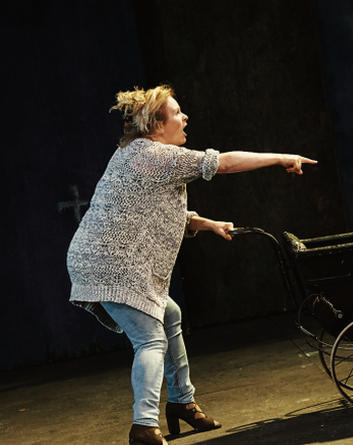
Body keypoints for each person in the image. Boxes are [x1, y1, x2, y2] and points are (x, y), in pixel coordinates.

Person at [66, 85, 317, 445]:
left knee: (169, 314)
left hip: (101, 260)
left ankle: (182, 401)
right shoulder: (153, 154)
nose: (185, 118)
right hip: (111, 265)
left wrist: (206, 223)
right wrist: (281, 157)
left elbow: (146, 212)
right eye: (177, 113)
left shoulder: (139, 155)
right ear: (156, 124)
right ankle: (143, 426)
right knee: (150, 340)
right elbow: (224, 162)